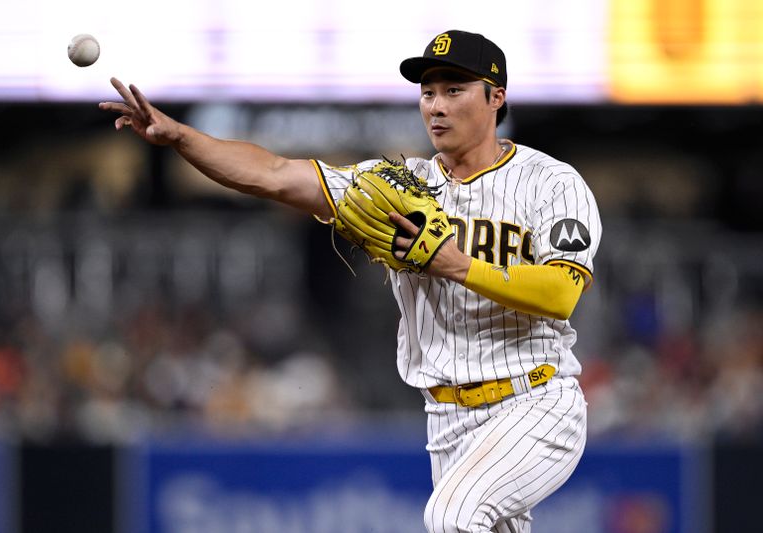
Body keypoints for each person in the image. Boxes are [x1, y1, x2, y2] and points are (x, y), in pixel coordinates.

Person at [100, 29, 601, 533]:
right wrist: (182, 137)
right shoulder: (400, 185)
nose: (436, 106)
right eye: (428, 92)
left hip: (536, 401)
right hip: (447, 420)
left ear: (497, 97)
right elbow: (274, 173)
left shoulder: (550, 184)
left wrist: (456, 264)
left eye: (454, 90)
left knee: (453, 516)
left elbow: (561, 294)